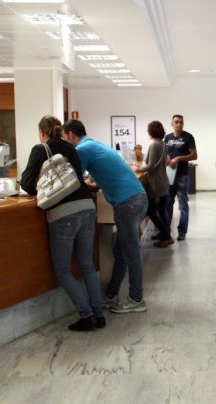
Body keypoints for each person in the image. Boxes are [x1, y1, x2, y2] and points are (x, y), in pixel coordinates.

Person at [20, 116, 104, 331]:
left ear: (42, 132)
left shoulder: (41, 149)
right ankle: (98, 313)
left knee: (63, 270)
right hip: (87, 208)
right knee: (87, 264)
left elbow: (28, 185)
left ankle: (87, 316)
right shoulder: (70, 147)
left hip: (64, 214)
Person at [62, 119, 149, 314]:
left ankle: (136, 299)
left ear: (71, 135)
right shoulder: (93, 143)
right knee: (121, 251)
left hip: (128, 203)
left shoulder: (82, 149)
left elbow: (72, 179)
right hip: (135, 199)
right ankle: (110, 295)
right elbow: (101, 175)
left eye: (65, 138)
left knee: (130, 252)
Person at [136, 121, 174, 248]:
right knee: (162, 210)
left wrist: (136, 169)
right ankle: (164, 233)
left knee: (151, 211)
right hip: (163, 181)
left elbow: (150, 166)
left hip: (156, 183)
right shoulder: (163, 144)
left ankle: (167, 237)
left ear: (150, 131)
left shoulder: (154, 144)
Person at [164, 114, 197, 241]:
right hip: (169, 175)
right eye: (176, 122)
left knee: (183, 205)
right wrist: (166, 158)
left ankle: (182, 231)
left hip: (182, 175)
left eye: (181, 122)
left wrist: (179, 158)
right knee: (168, 203)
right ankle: (166, 230)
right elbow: (165, 153)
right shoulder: (167, 138)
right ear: (172, 123)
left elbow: (194, 155)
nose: (179, 124)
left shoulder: (188, 137)